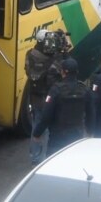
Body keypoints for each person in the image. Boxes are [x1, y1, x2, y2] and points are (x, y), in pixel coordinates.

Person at [32, 58, 94, 156]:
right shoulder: (84, 90)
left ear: (63, 72)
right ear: (77, 72)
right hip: (76, 137)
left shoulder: (55, 90)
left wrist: (37, 133)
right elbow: (91, 113)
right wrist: (90, 131)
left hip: (57, 138)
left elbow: (46, 115)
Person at [25, 29, 63, 165]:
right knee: (49, 127)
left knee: (37, 126)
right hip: (49, 98)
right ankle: (47, 158)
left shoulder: (30, 55)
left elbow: (28, 71)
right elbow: (56, 73)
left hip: (35, 97)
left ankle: (35, 156)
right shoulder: (52, 58)